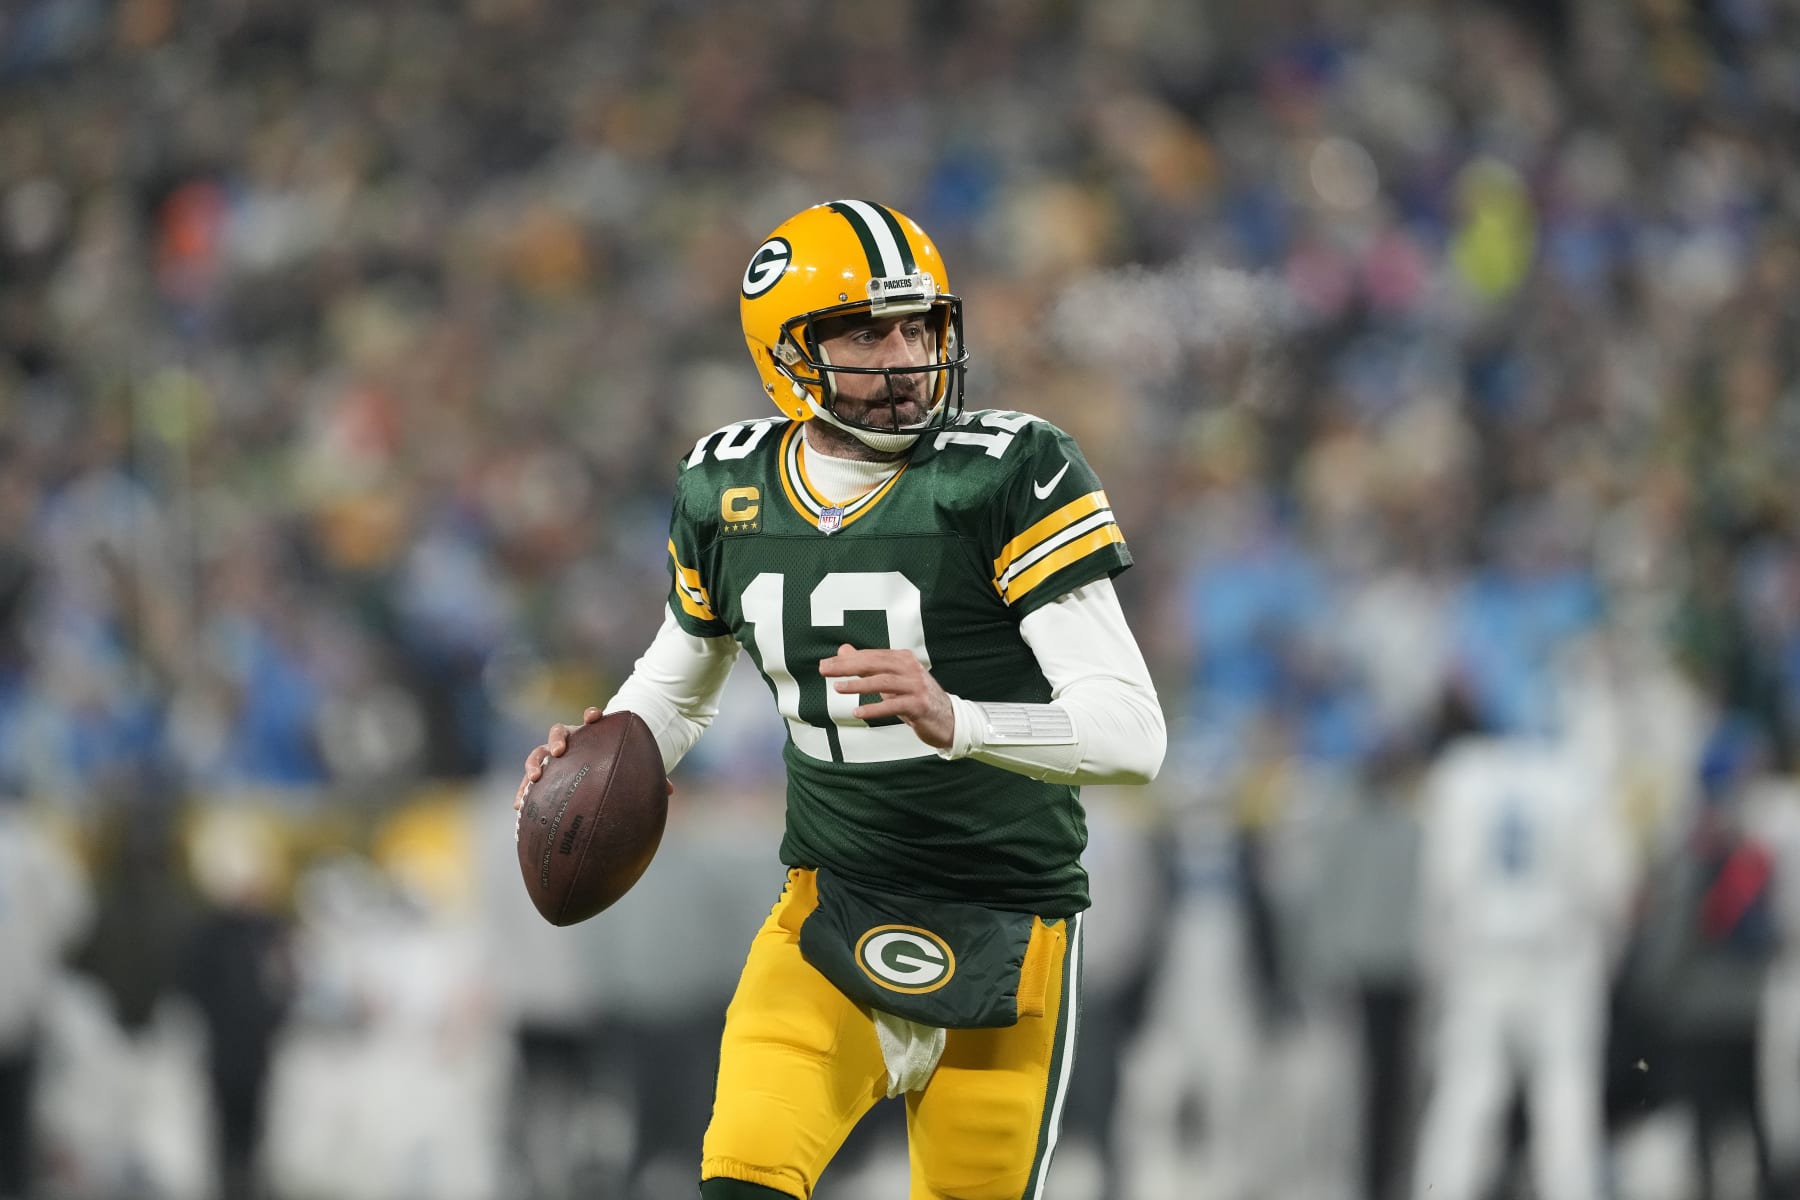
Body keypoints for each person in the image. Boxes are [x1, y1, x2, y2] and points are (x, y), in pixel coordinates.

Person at [513, 198, 1166, 1200]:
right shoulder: (727, 486)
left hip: (1011, 932)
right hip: (829, 912)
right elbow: (679, 683)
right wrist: (609, 743)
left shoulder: (1010, 472)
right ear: (787, 353)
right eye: (868, 332)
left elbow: (1134, 734)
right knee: (741, 1181)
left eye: (920, 327)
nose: (905, 357)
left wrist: (961, 719)